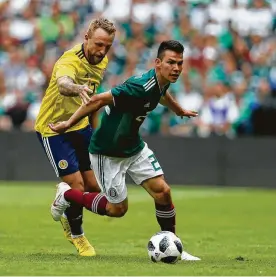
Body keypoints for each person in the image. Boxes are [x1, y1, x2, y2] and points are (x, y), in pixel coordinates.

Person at [49, 40, 200, 260]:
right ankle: (67, 194)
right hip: (107, 151)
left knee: (163, 192)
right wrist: (67, 124)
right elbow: (97, 100)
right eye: (171, 63)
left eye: (180, 63)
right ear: (158, 63)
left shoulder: (163, 81)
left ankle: (173, 245)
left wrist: (179, 110)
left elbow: (162, 94)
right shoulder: (139, 86)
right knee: (116, 209)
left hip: (134, 147)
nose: (176, 68)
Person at [35, 18, 116, 257]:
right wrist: (76, 88)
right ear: (86, 38)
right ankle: (77, 236)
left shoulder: (102, 61)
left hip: (79, 126)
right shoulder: (69, 61)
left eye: (107, 47)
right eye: (99, 44)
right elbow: (63, 83)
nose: (102, 51)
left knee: (94, 187)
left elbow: (91, 102)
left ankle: (64, 197)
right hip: (54, 129)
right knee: (77, 185)